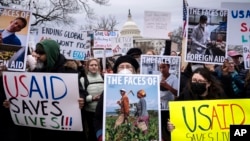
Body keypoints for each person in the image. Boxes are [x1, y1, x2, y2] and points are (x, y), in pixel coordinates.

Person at [3, 39, 87, 141]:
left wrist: (82, 99)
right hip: (41, 131)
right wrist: (13, 102)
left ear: (51, 54)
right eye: (36, 52)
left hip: (63, 132)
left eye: (41, 53)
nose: (37, 56)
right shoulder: (34, 74)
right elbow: (26, 96)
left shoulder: (70, 73)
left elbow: (81, 92)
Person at [167, 68, 226, 136]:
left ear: (208, 84)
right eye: (194, 80)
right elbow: (173, 118)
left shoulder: (219, 97)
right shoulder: (184, 96)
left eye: (200, 81)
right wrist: (170, 127)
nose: (196, 83)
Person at [93, 55, 139, 141]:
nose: (125, 69)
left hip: (128, 113)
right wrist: (100, 136)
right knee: (118, 125)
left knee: (131, 126)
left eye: (128, 67)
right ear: (116, 71)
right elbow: (98, 117)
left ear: (134, 71)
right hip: (122, 114)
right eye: (121, 67)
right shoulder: (107, 91)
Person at [80, 58, 104, 141]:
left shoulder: (104, 78)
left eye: (96, 65)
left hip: (101, 111)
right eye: (91, 65)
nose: (94, 67)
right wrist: (92, 98)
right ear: (87, 67)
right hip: (90, 112)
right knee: (92, 133)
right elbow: (81, 95)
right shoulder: (83, 80)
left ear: (98, 67)